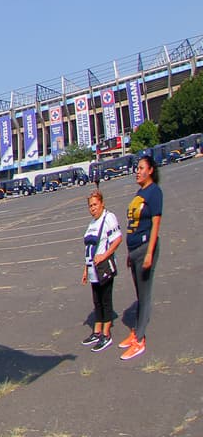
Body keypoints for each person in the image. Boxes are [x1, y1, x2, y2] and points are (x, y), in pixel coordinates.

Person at [119, 155, 163, 361]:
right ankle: (136, 330)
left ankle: (140, 339)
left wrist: (149, 253)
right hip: (134, 250)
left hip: (146, 248)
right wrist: (130, 254)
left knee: (144, 296)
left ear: (151, 170)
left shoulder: (154, 192)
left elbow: (155, 224)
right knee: (139, 294)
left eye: (141, 168)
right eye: (137, 168)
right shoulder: (140, 192)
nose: (137, 171)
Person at [80, 189, 121, 352]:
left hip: (104, 267)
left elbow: (117, 239)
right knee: (96, 301)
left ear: (102, 204)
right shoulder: (91, 224)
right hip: (92, 270)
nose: (93, 208)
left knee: (105, 300)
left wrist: (104, 255)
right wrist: (85, 269)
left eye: (95, 204)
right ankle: (97, 331)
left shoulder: (108, 218)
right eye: (90, 205)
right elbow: (89, 248)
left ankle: (106, 334)